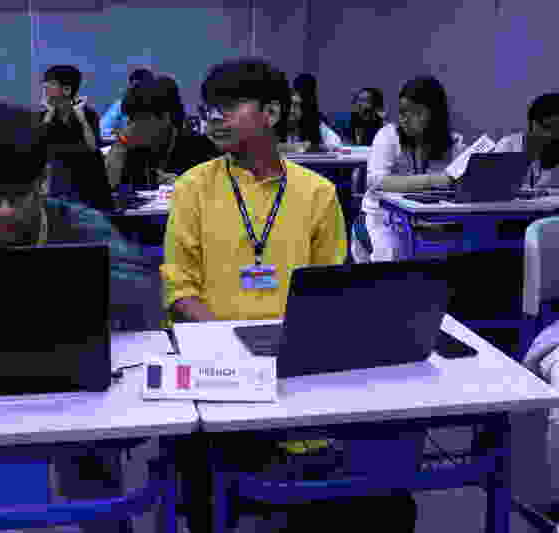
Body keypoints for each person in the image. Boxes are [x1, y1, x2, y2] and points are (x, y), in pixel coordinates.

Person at [162, 58, 419, 533]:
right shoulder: (192, 188)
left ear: (273, 113)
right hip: (218, 360)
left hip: (298, 359)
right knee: (211, 474)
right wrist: (230, 345)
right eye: (209, 108)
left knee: (391, 500)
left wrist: (297, 347)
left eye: (229, 106)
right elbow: (180, 288)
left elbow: (331, 291)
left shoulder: (317, 193)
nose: (214, 118)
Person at [0, 99, 158, 533]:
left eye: (18, 197)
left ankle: (102, 520)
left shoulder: (82, 226)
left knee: (91, 449)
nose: (4, 211)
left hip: (72, 385)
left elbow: (144, 296)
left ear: (43, 182)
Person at [353, 76, 466, 263]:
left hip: (431, 221)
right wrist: (436, 180)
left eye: (414, 112)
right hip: (383, 219)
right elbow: (376, 182)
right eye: (402, 112)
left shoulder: (453, 144)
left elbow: (462, 177)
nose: (404, 119)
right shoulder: (388, 136)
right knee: (393, 253)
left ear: (434, 114)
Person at [104, 75, 220, 190]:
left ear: (165, 117)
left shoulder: (199, 147)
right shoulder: (131, 149)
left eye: (141, 119)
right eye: (131, 119)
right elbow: (106, 187)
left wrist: (183, 183)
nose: (134, 126)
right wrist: (121, 144)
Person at [40, 65, 113, 212]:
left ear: (67, 90)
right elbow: (38, 148)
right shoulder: (45, 117)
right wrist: (48, 116)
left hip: (89, 185)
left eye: (52, 84)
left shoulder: (87, 114)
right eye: (45, 83)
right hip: (60, 186)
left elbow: (93, 147)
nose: (46, 87)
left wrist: (81, 119)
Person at [495, 92, 559, 188]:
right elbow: (493, 183)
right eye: (547, 127)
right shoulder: (508, 145)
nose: (551, 134)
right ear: (532, 123)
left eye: (557, 129)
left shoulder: (554, 148)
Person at [279, 73, 342, 152]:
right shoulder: (277, 127)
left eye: (296, 105)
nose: (291, 110)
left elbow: (336, 146)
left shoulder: (319, 128)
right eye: (289, 105)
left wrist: (315, 147)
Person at [100, 68, 154, 139]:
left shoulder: (156, 106)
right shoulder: (120, 105)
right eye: (134, 87)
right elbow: (103, 130)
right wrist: (122, 136)